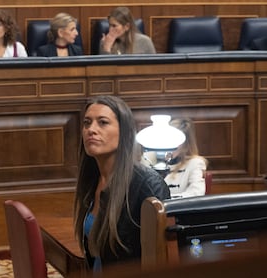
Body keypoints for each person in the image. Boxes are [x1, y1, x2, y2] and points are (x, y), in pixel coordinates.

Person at [74, 95, 170, 272]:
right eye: (87, 123)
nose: (91, 130)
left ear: (124, 132)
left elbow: (161, 260)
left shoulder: (147, 185)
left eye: (102, 122)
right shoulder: (92, 179)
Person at [164, 118, 208, 198]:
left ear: (186, 144)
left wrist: (165, 200)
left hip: (176, 209)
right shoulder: (149, 161)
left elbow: (196, 193)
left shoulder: (195, 163)